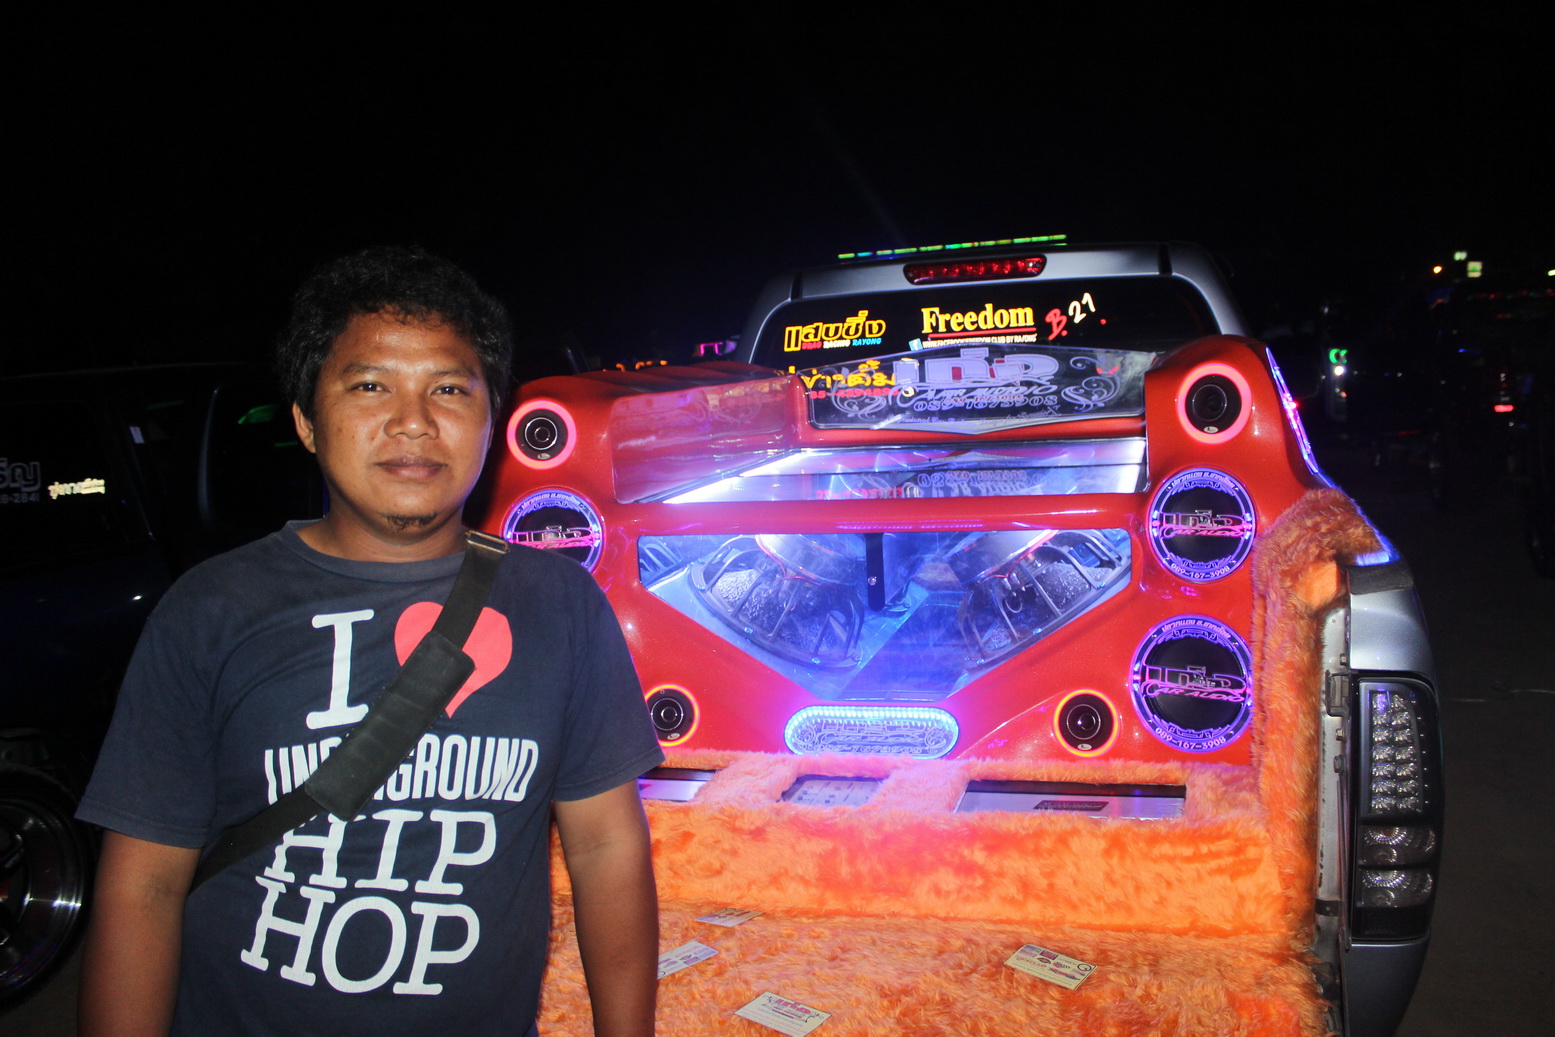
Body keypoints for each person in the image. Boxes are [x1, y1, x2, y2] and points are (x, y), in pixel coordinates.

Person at [76, 246, 663, 1036]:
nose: (412, 420)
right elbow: (143, 885)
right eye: (370, 385)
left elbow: (604, 847)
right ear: (306, 421)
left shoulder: (561, 605)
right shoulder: (212, 608)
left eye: (448, 388)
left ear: (491, 421)